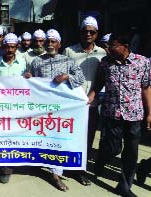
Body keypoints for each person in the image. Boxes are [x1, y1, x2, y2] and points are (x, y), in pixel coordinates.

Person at [88, 32, 151, 197]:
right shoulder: (105, 63)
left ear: (125, 46)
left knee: (131, 152)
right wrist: (91, 96)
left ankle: (124, 185)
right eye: (108, 45)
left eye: (113, 45)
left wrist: (149, 113)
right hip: (112, 113)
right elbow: (99, 83)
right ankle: (102, 158)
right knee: (113, 148)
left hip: (134, 114)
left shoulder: (142, 62)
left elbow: (145, 89)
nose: (108, 49)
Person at [29, 29, 85, 191]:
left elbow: (80, 79)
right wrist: (28, 78)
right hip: (42, 108)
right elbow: (31, 83)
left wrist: (67, 77)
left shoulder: (68, 61)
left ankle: (55, 174)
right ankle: (39, 163)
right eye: (47, 42)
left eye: (53, 41)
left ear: (59, 44)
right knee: (42, 137)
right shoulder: (37, 62)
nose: (50, 44)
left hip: (62, 110)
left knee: (58, 139)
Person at [62, 16, 106, 186]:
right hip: (73, 104)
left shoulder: (102, 53)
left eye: (91, 32)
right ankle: (67, 165)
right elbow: (64, 76)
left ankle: (80, 171)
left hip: (92, 103)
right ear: (80, 33)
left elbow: (102, 78)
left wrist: (93, 94)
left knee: (87, 139)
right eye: (85, 31)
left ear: (96, 34)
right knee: (70, 136)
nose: (88, 34)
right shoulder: (69, 52)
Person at [0, 33, 27, 184]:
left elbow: (28, 83)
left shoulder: (22, 63)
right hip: (0, 106)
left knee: (13, 137)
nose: (9, 49)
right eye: (7, 46)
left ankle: (8, 167)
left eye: (13, 47)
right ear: (3, 47)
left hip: (17, 106)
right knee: (1, 136)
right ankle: (3, 166)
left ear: (17, 47)